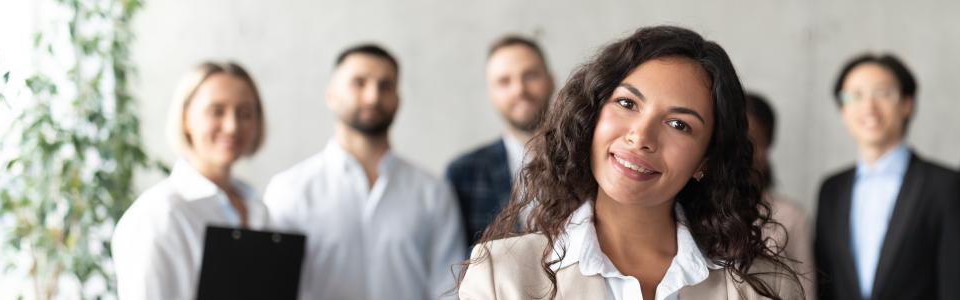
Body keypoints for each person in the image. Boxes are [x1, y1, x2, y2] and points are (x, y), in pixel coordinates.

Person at [458, 25, 802, 300]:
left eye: (679, 124)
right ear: (592, 116)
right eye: (627, 103)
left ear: (706, 160)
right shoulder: (500, 276)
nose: (641, 136)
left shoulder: (762, 287)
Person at [263, 44, 465, 300]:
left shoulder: (433, 192)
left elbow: (447, 289)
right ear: (331, 95)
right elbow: (276, 288)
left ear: (398, 99)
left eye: (385, 85)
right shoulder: (288, 189)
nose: (372, 96)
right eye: (359, 83)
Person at [813, 53, 960, 299]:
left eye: (883, 94)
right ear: (843, 110)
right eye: (855, 96)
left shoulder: (947, 186)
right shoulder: (831, 189)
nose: (869, 107)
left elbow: (959, 285)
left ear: (907, 104)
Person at [113, 62, 268, 299]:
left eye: (245, 113)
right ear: (186, 118)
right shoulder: (159, 215)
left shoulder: (258, 207)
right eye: (217, 111)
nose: (232, 126)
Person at [447, 35, 556, 245]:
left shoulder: (587, 159)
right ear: (491, 93)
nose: (519, 90)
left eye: (530, 75)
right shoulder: (464, 173)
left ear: (551, 80)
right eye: (504, 81)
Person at [744, 91, 816, 300]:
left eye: (751, 142)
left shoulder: (790, 217)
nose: (740, 153)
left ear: (766, 148)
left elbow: (805, 292)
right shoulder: (690, 212)